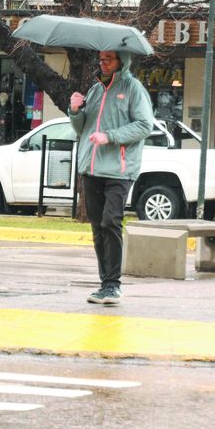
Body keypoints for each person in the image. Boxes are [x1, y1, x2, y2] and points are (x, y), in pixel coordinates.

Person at [69, 50, 154, 305]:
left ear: (122, 61)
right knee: (97, 227)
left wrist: (110, 136)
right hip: (91, 168)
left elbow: (144, 125)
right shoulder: (95, 90)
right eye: (100, 59)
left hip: (119, 169)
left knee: (110, 221)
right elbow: (82, 128)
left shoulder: (132, 88)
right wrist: (75, 110)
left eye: (108, 59)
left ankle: (113, 285)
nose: (102, 63)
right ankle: (105, 284)